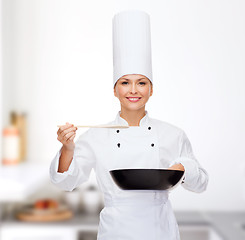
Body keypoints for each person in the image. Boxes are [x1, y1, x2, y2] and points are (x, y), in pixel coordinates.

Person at [50, 10, 208, 240]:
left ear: (151, 89)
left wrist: (183, 168)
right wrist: (67, 148)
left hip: (160, 230)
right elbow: (65, 181)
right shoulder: (95, 136)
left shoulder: (172, 134)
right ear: (115, 89)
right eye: (125, 82)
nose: (133, 90)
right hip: (116, 231)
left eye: (141, 83)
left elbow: (201, 183)